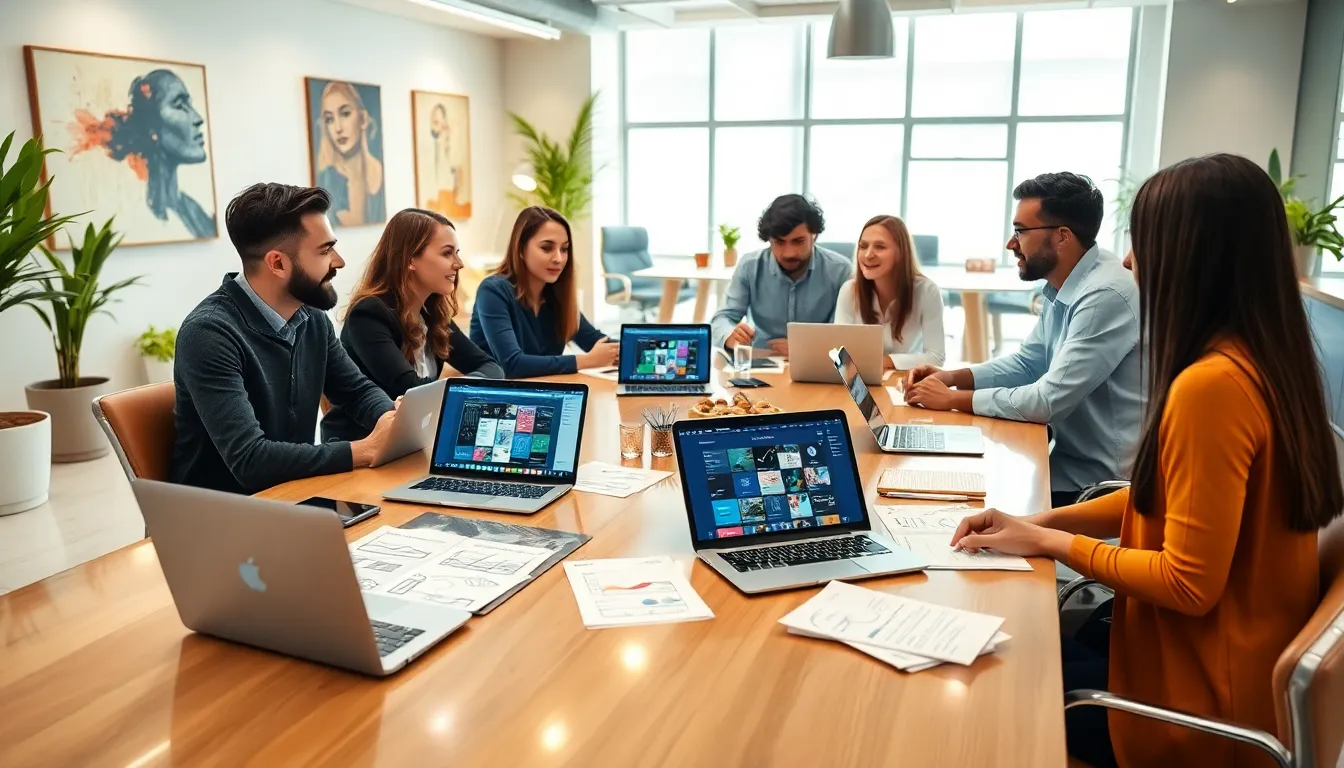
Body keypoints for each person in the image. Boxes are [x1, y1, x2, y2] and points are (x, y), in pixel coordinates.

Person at [950, 154, 1344, 767]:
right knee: (1014, 638)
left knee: (986, 687)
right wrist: (1036, 526)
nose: (1130, 262)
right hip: (1219, 667)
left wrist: (1052, 545)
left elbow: (1187, 584)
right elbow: (1162, 500)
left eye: (1144, 242)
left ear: (1191, 256)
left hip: (1192, 711)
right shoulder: (1271, 361)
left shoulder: (1211, 387)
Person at [905, 173, 1141, 507]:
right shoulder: (1067, 282)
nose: (1010, 244)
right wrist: (951, 378)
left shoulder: (1105, 293)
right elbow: (1029, 362)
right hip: (1060, 463)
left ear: (1062, 237)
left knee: (961, 512)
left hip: (1095, 487)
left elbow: (1047, 401)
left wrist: (954, 399)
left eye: (1020, 231)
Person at [172, 183, 397, 495]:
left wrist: (391, 422)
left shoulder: (312, 318)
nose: (339, 261)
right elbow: (251, 461)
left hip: (292, 497)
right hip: (224, 518)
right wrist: (364, 450)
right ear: (277, 263)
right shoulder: (209, 334)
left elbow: (356, 392)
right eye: (325, 250)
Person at [321, 208, 503, 442]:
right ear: (410, 260)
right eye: (447, 254)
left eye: (457, 253)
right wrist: (464, 388)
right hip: (361, 450)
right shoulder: (367, 315)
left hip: (414, 441)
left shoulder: (432, 314)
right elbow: (411, 392)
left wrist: (459, 387)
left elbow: (491, 366)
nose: (459, 264)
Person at [469, 206, 618, 377]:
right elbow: (512, 364)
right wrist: (588, 360)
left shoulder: (556, 295)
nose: (558, 259)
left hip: (545, 392)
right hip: (498, 397)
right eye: (547, 248)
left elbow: (595, 341)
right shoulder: (493, 291)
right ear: (521, 250)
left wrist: (642, 346)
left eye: (564, 249)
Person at [72, 69, 216, 238]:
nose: (198, 118)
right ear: (152, 126)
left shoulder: (192, 210)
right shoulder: (138, 217)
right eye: (179, 105)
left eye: (189, 104)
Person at [711, 194, 853, 356]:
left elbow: (844, 333)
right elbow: (721, 320)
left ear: (814, 236)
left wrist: (805, 347)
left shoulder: (841, 270)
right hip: (762, 360)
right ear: (768, 240)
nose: (789, 253)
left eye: (798, 241)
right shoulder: (749, 266)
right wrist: (729, 335)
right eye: (779, 242)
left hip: (818, 362)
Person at [833, 215, 945, 369]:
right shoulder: (849, 290)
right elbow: (840, 354)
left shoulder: (926, 291)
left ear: (901, 253)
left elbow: (936, 357)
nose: (868, 255)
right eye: (863, 246)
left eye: (880, 247)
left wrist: (886, 361)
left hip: (906, 382)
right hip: (861, 381)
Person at [314, 81, 385, 226]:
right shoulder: (325, 181)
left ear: (363, 119)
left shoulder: (384, 173)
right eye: (329, 119)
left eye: (345, 114)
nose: (338, 128)